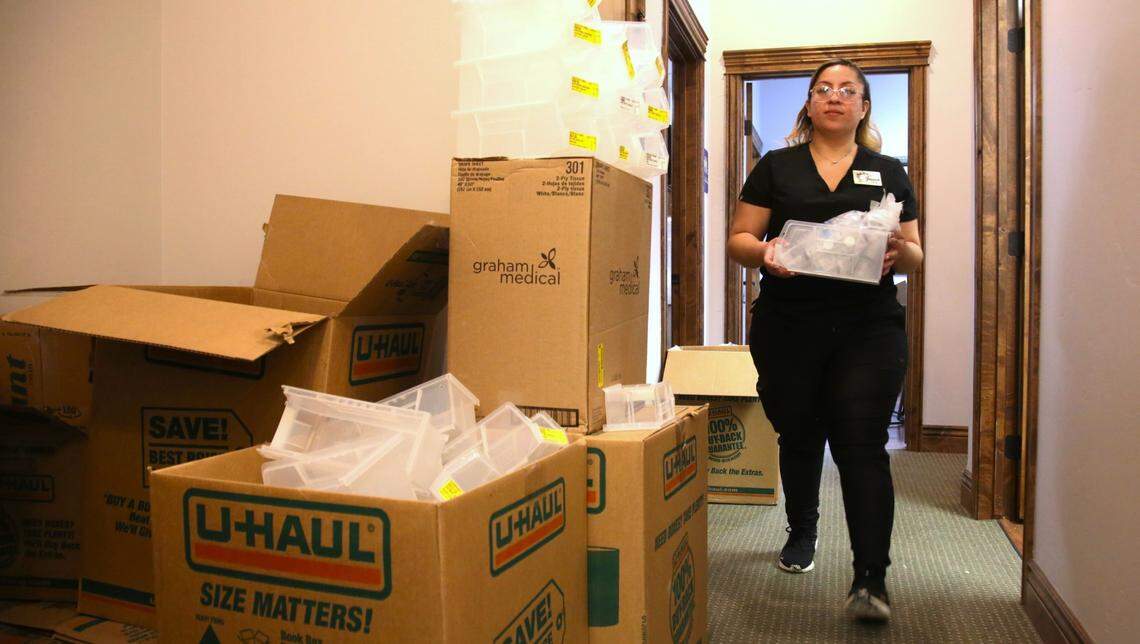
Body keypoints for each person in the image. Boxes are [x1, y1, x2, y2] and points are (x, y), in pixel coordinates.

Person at [726, 58, 924, 622]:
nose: (834, 96)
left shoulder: (887, 171)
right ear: (809, 104)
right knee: (800, 430)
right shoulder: (775, 166)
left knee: (861, 442)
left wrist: (896, 252)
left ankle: (870, 579)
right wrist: (763, 252)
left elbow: (914, 253)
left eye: (847, 90)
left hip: (868, 327)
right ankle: (803, 528)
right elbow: (739, 237)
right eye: (822, 89)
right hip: (789, 324)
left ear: (863, 106)